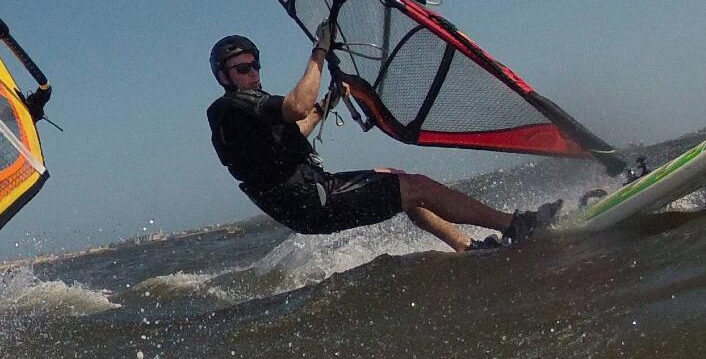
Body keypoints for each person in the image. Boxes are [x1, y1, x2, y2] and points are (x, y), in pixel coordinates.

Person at [204, 30, 558, 252]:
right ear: (223, 76)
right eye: (242, 69)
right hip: (314, 202)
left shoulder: (240, 116)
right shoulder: (234, 106)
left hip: (308, 202)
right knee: (415, 186)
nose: (253, 74)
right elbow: (297, 107)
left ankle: (466, 247)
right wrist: (319, 53)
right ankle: (514, 224)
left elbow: (295, 130)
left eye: (255, 65)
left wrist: (329, 102)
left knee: (395, 177)